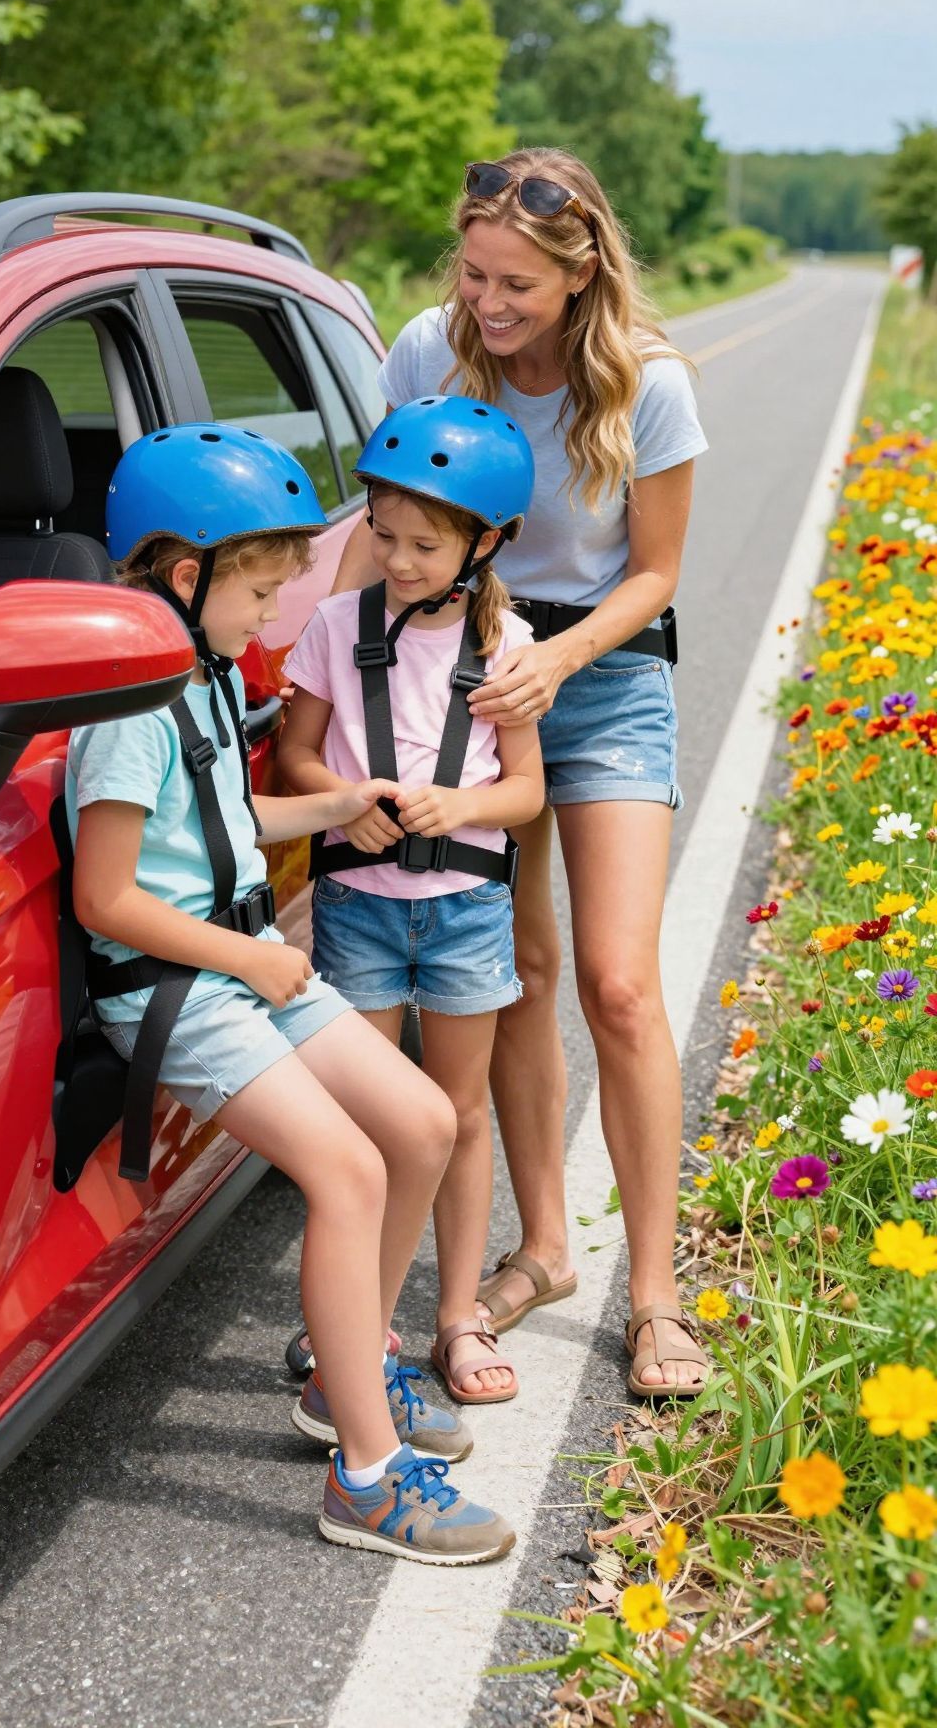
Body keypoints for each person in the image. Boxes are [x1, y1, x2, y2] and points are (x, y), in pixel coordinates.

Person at [67, 422, 515, 1563]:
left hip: (244, 960)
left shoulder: (200, 672)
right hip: (187, 985)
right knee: (348, 1164)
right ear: (187, 575)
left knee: (418, 1121)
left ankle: (347, 1370)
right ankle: (365, 1473)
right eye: (261, 591)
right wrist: (253, 959)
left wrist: (333, 803)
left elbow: (226, 826)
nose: (274, 615)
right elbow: (107, 899)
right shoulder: (126, 710)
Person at [330, 150, 711, 1398]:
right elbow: (378, 525)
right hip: (451, 666)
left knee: (614, 982)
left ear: (581, 268)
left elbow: (654, 573)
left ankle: (652, 1296)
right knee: (516, 967)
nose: (486, 306)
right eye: (473, 274)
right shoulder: (422, 352)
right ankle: (544, 1248)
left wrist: (552, 660)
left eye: (516, 287)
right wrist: (318, 674)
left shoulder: (648, 384)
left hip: (597, 672)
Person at [279, 397, 546, 1405]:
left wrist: (460, 801)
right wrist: (344, 801)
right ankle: (359, 1317)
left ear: (485, 542)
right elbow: (299, 750)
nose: (396, 558)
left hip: (469, 907)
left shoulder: (510, 643)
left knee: (458, 1112)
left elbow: (526, 792)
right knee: (368, 1113)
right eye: (382, 534)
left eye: (424, 543)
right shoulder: (335, 625)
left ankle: (456, 1314)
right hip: (358, 900)